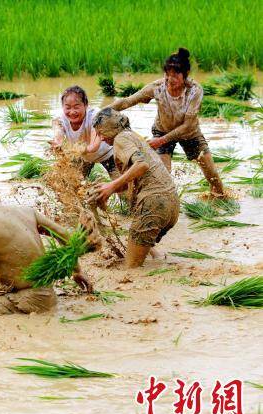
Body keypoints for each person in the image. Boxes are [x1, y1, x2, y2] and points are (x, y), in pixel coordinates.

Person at [0, 179, 92, 314]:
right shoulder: (26, 211)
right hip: (47, 294)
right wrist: (77, 271)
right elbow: (63, 234)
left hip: (32, 300)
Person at [108, 47, 224, 196]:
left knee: (212, 175)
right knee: (163, 176)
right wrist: (104, 111)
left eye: (175, 75)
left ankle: (220, 200)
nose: (170, 79)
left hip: (190, 133)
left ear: (185, 75)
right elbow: (127, 101)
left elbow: (188, 125)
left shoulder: (194, 91)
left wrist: (161, 141)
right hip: (162, 129)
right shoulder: (158, 87)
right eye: (167, 74)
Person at [90, 108, 179, 268]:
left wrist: (111, 186)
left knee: (131, 269)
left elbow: (141, 165)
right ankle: (163, 264)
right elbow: (129, 182)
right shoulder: (133, 136)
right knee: (145, 254)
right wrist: (107, 189)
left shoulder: (120, 139)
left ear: (112, 129)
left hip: (154, 205)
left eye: (102, 132)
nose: (101, 138)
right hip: (171, 205)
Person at [51, 85, 119, 179]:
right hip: (83, 157)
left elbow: (94, 147)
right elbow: (58, 133)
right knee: (74, 183)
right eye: (68, 107)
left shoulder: (96, 116)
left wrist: (78, 149)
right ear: (63, 107)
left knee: (121, 186)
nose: (72, 112)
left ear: (86, 105)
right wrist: (58, 144)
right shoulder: (59, 119)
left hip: (107, 154)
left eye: (76, 107)